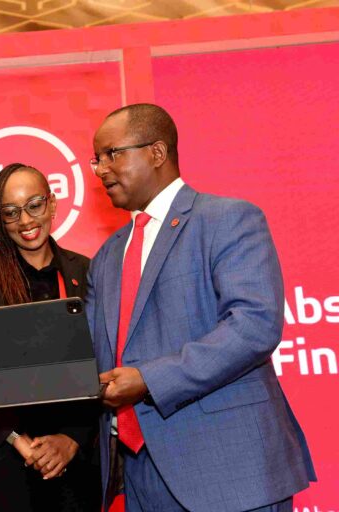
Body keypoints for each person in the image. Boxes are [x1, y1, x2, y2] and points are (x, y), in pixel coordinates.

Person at [86, 103, 316, 512]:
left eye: (112, 154)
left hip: (230, 469)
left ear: (156, 153)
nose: (101, 169)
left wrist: (150, 379)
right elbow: (89, 350)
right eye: (96, 159)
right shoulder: (107, 255)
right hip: (140, 475)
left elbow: (255, 326)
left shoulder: (228, 219)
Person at [0, 163, 102, 512]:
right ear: (0, 220)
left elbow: (103, 363)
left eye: (35, 205)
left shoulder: (86, 271)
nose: (26, 220)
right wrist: (17, 439)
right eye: (11, 212)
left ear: (53, 203)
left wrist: (71, 440)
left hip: (74, 459)